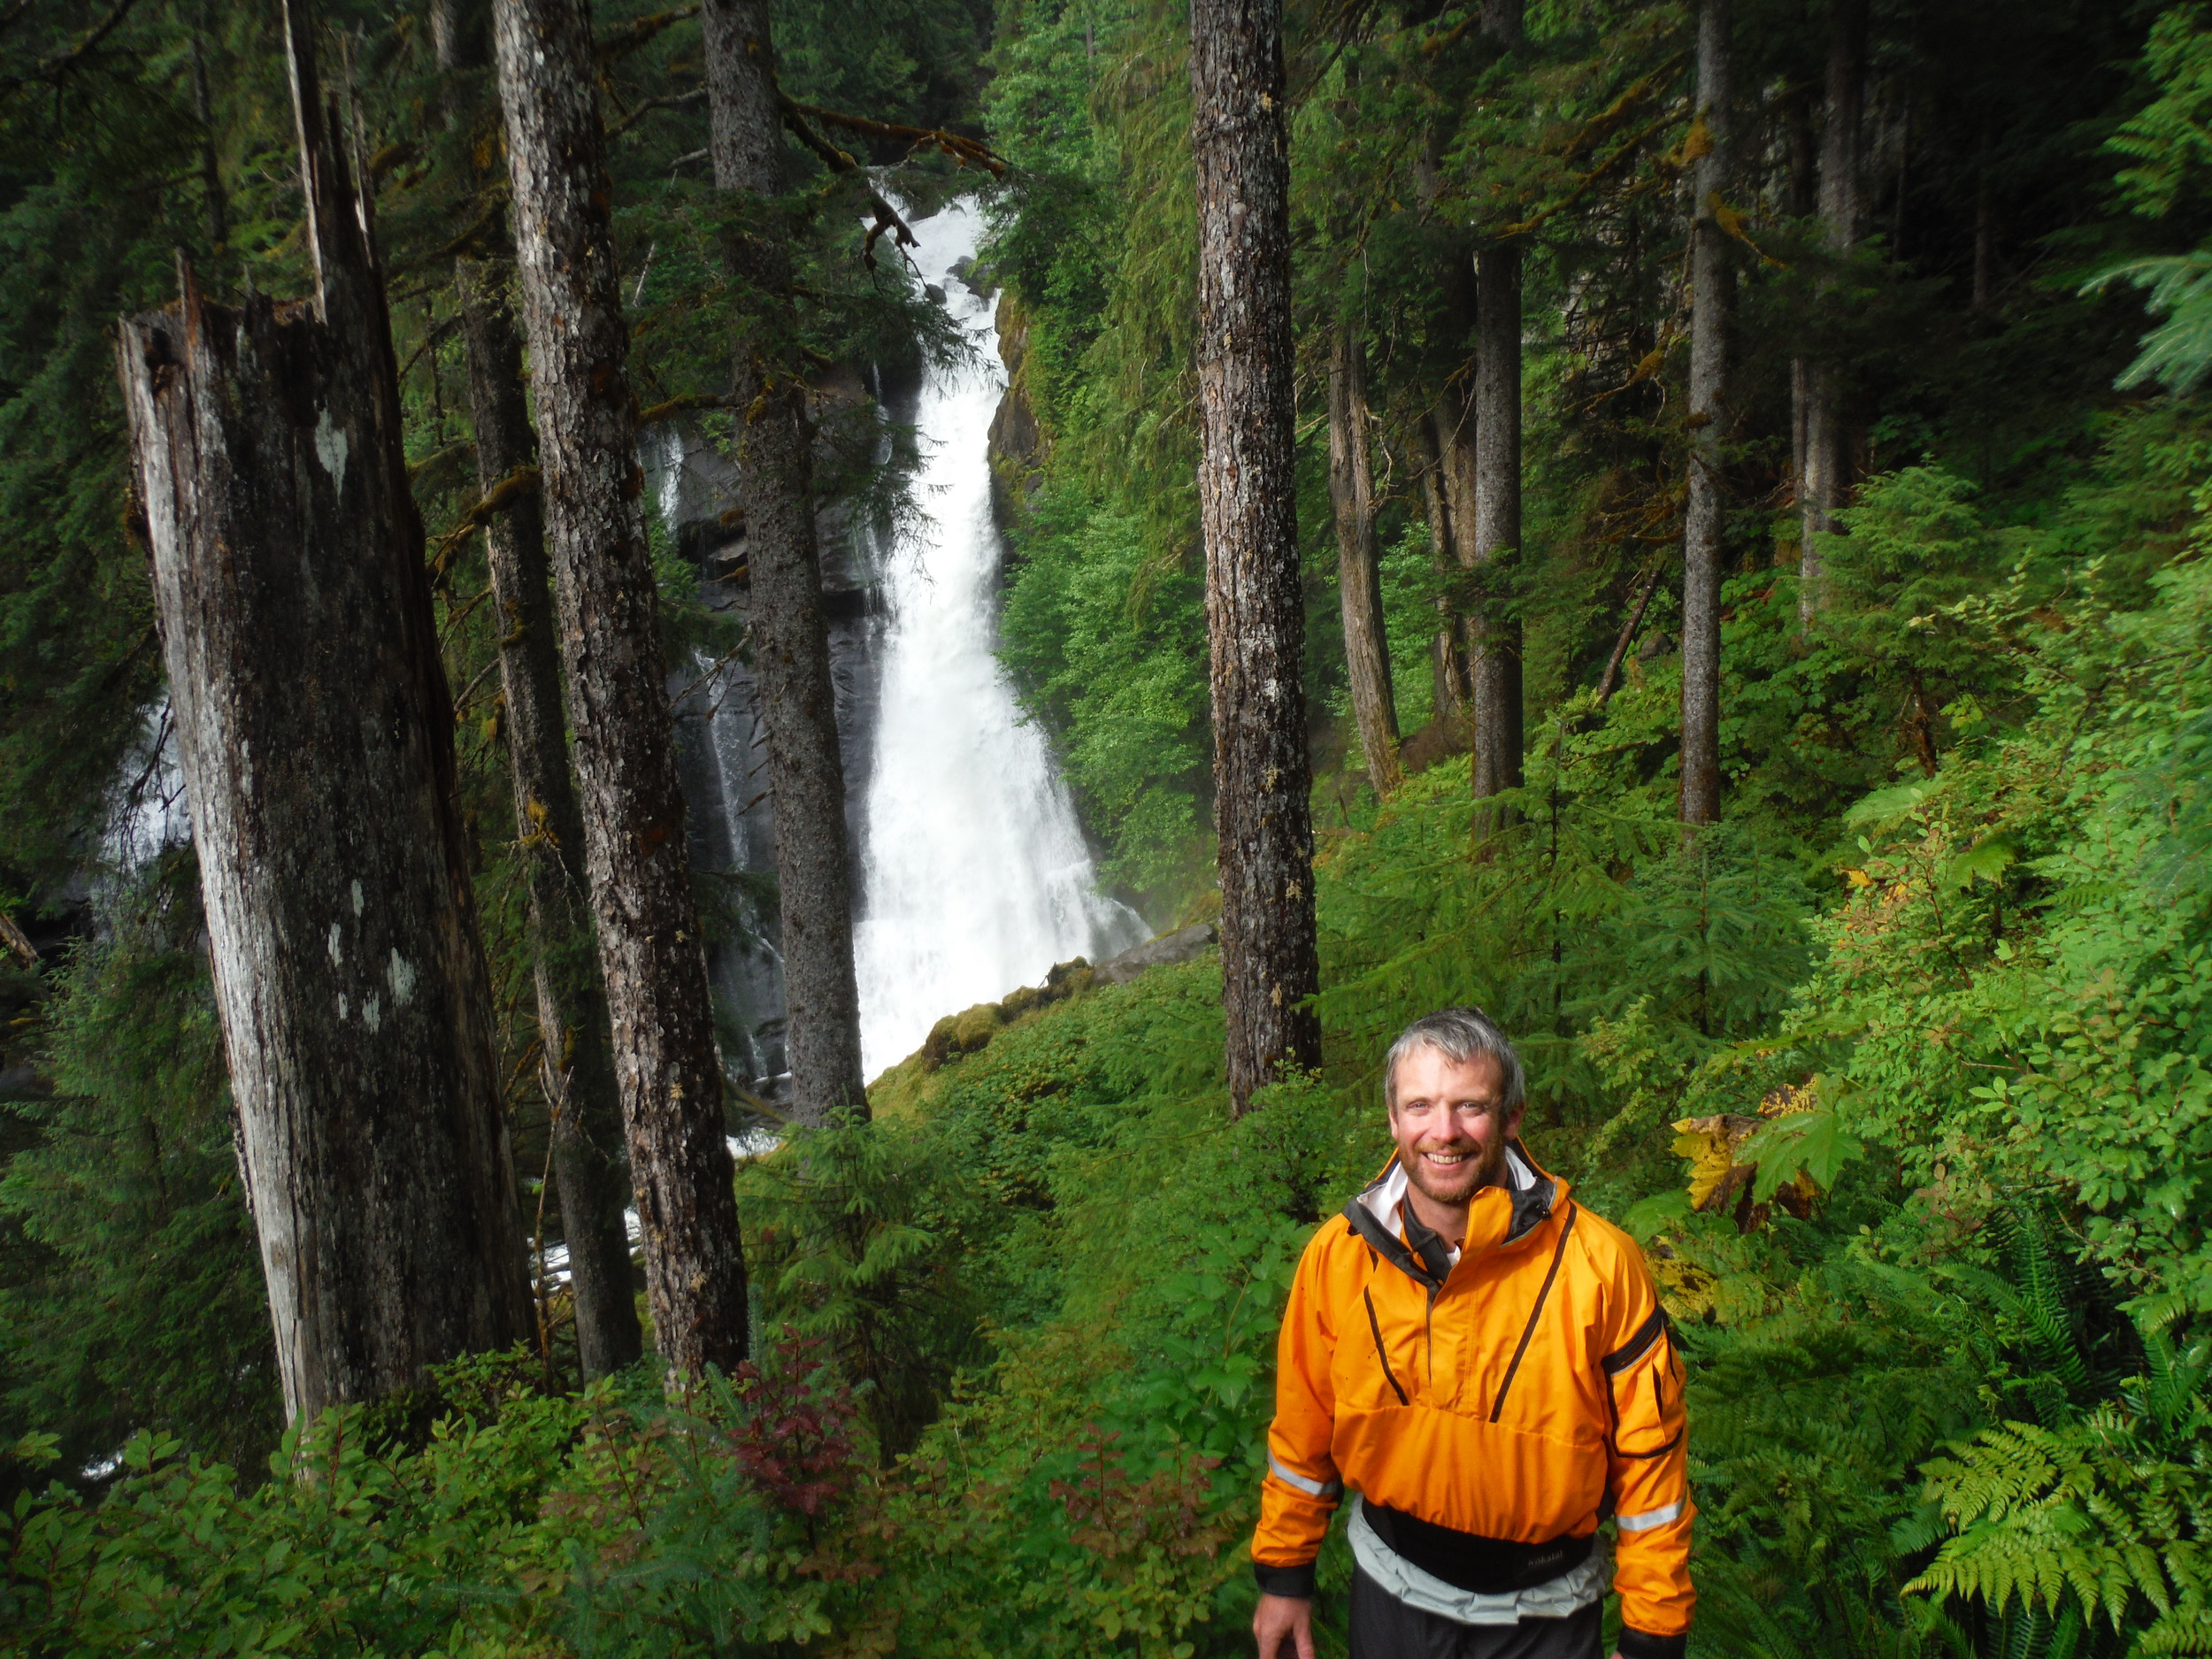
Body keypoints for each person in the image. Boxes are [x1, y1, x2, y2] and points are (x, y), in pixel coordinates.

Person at [1251, 1008, 1693, 1659]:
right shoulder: (1340, 1258)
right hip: (1390, 1602)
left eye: (1470, 1106)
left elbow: (1652, 1463)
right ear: (1393, 1119)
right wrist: (1285, 1575)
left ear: (1512, 1117)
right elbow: (1302, 1432)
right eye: (1421, 1104)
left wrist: (1654, 1635)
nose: (1445, 1130)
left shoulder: (1599, 1266)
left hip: (1549, 1618)